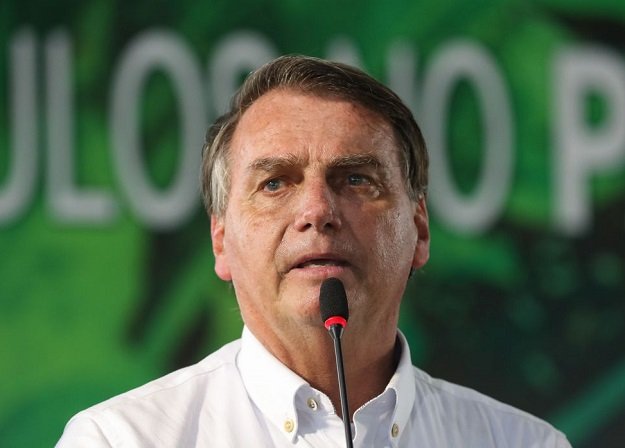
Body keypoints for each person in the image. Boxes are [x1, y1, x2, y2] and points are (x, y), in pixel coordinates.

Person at [57, 55, 571, 447]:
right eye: (275, 183)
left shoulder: (523, 443)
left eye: (356, 179)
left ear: (419, 229)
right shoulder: (121, 440)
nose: (317, 210)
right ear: (221, 240)